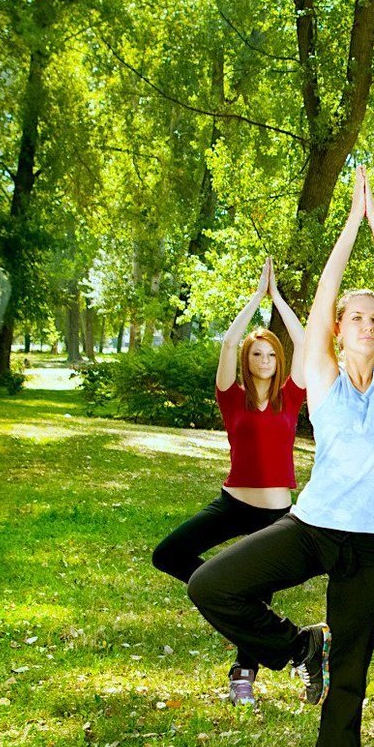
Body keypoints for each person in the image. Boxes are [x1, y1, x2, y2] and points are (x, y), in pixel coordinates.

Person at [188, 166, 374, 747]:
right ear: (341, 328)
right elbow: (320, 297)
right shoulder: (318, 372)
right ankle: (296, 647)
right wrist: (351, 222)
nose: (368, 325)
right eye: (357, 317)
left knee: (351, 676)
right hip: (313, 526)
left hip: (373, 546)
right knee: (211, 584)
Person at [152, 259, 307, 705]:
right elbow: (226, 343)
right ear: (246, 360)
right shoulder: (231, 398)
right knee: (168, 553)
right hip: (231, 502)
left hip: (277, 513)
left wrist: (277, 300)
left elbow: (304, 341)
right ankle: (225, 589)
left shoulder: (292, 395)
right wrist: (254, 301)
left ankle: (243, 675)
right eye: (257, 353)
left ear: (280, 361)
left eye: (271, 354)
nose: (264, 359)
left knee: (257, 592)